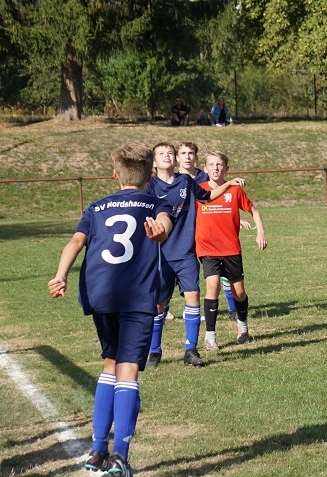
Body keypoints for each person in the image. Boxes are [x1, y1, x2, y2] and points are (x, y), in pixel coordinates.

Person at [48, 142, 173, 475]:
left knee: (110, 363)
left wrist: (60, 275)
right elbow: (164, 226)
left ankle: (97, 450)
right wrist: (160, 231)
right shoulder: (156, 203)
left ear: (114, 175)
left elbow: (76, 241)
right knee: (128, 369)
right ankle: (120, 456)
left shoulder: (97, 207)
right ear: (150, 177)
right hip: (136, 295)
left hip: (100, 293)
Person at [144, 142, 244, 368]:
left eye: (170, 153)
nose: (167, 156)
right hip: (159, 255)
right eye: (161, 153)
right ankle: (154, 352)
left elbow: (207, 197)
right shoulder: (149, 187)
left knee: (193, 296)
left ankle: (190, 350)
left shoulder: (186, 181)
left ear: (175, 159)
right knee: (159, 304)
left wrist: (227, 184)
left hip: (186, 252)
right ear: (154, 161)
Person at [195, 151, 267, 349]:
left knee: (239, 293)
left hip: (230, 248)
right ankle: (210, 337)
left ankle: (242, 326)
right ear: (205, 168)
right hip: (207, 248)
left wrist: (260, 232)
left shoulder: (235, 190)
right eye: (211, 164)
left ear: (226, 169)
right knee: (213, 286)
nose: (216, 168)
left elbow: (254, 211)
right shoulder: (199, 190)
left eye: (219, 164)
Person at [177, 142, 238, 318]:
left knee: (220, 272)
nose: (187, 157)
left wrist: (234, 217)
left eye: (191, 153)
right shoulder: (173, 180)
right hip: (183, 231)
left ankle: (233, 308)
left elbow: (221, 201)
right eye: (183, 153)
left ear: (196, 158)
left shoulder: (206, 177)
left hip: (208, 233)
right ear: (177, 158)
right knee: (182, 270)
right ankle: (175, 308)